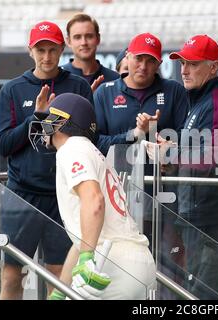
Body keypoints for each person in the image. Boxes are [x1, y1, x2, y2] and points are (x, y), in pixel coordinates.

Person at [0, 20, 93, 299]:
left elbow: (87, 139)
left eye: (52, 49)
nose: (47, 57)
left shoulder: (77, 86)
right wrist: (37, 117)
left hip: (63, 195)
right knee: (12, 276)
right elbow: (4, 144)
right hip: (21, 195)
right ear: (30, 51)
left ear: (62, 49)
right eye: (41, 50)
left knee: (59, 279)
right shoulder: (12, 89)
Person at [29, 93, 155, 300]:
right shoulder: (88, 149)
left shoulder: (72, 149)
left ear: (62, 122)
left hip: (112, 262)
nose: (44, 126)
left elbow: (94, 201)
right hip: (132, 260)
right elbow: (82, 241)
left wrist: (87, 257)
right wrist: (61, 290)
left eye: (49, 118)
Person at [154, 34, 218, 299]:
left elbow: (213, 158)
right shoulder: (199, 103)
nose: (184, 70)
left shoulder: (216, 103)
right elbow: (194, 159)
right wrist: (169, 162)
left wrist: (173, 153)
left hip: (214, 222)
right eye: (182, 63)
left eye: (193, 64)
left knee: (204, 299)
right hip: (197, 219)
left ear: (213, 67)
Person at [93, 32, 188, 155]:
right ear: (127, 57)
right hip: (116, 173)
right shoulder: (105, 93)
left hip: (161, 173)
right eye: (138, 58)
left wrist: (158, 136)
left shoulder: (175, 90)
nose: (143, 66)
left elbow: (187, 138)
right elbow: (95, 143)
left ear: (159, 63)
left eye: (151, 61)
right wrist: (134, 134)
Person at [62, 13, 119, 92]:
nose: (84, 42)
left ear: (98, 39)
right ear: (68, 41)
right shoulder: (58, 78)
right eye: (77, 37)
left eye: (89, 36)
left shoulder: (115, 79)